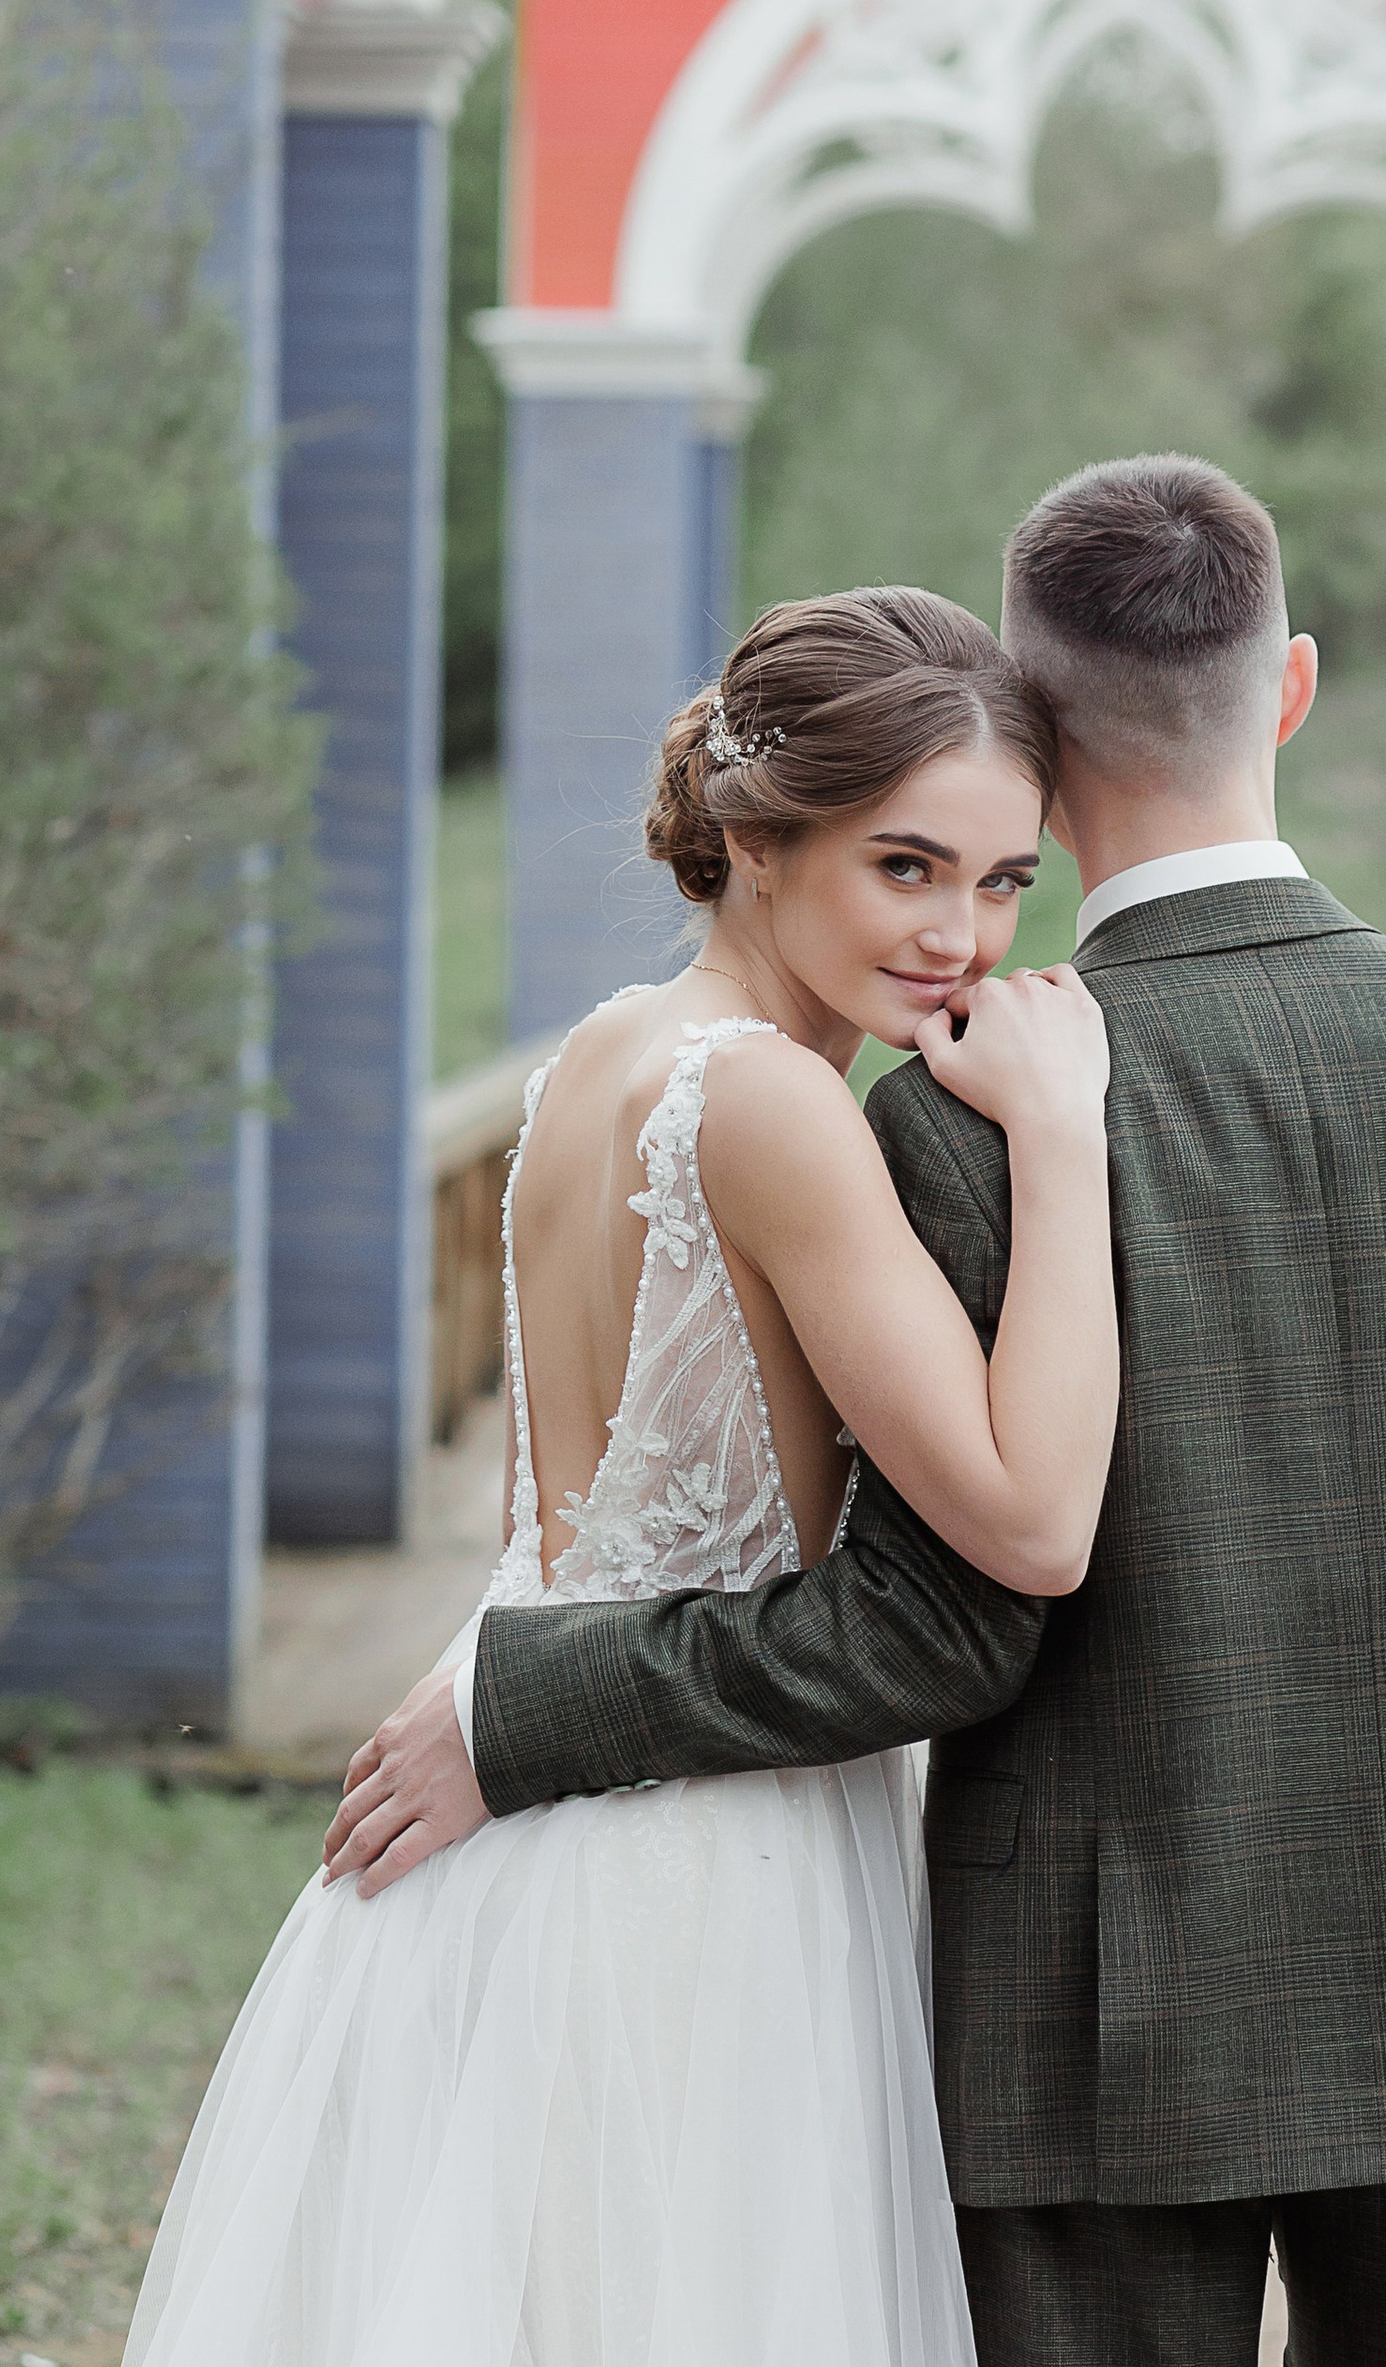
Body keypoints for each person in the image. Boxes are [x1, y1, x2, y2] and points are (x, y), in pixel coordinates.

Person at [333, 454, 1386, 2367]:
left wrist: (528, 1697)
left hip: (1082, 2018)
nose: (961, 924)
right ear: (1288, 688)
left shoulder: (954, 1114)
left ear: (1033, 730)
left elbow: (945, 1618)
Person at [124, 583, 1114, 2367]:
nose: (964, 937)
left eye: (1003, 882)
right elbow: (1032, 1525)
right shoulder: (775, 1105)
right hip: (697, 1835)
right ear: (753, 834)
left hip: (507, 1786)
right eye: (907, 867)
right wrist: (1064, 1140)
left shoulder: (603, 1052)